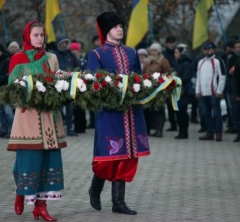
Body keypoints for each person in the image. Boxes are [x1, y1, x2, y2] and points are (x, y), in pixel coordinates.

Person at [86, 11, 151, 215]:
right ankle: (95, 188)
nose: (120, 29)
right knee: (109, 156)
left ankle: (118, 202)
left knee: (128, 155)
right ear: (107, 30)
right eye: (115, 26)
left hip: (131, 112)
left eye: (121, 26)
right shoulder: (96, 54)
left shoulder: (132, 52)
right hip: (109, 112)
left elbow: (138, 78)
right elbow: (91, 84)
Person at [7, 20, 67, 222]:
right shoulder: (18, 58)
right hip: (28, 116)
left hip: (50, 118)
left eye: (42, 35)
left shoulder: (52, 58)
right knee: (27, 160)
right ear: (27, 36)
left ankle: (41, 207)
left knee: (48, 160)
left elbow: (59, 82)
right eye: (36, 35)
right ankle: (20, 191)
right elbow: (12, 90)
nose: (40, 38)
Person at [195, 41, 226, 142]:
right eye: (205, 49)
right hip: (204, 92)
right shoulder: (201, 62)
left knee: (216, 113)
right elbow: (198, 77)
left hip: (214, 92)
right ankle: (209, 132)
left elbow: (222, 76)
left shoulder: (218, 61)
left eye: (209, 49)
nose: (207, 51)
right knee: (206, 113)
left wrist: (219, 90)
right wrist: (197, 90)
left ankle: (218, 133)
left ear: (213, 50)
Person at [143, 43, 171, 137]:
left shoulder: (163, 61)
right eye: (152, 50)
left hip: (159, 88)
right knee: (151, 110)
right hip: (149, 88)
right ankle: (153, 128)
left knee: (159, 109)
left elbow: (167, 74)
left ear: (159, 51)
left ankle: (159, 130)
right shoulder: (148, 61)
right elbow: (144, 72)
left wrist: (159, 80)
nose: (153, 52)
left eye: (155, 50)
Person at [54, 35, 79, 136]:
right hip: (59, 86)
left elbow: (77, 67)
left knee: (70, 109)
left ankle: (70, 129)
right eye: (61, 43)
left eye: (65, 43)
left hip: (70, 86)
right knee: (59, 109)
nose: (64, 45)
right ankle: (59, 129)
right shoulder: (55, 55)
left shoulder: (71, 55)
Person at [174, 46, 192, 139]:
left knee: (182, 113)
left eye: (177, 52)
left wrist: (175, 79)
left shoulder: (186, 63)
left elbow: (186, 77)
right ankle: (181, 131)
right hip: (178, 91)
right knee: (179, 113)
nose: (175, 54)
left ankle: (184, 132)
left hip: (183, 92)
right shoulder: (179, 63)